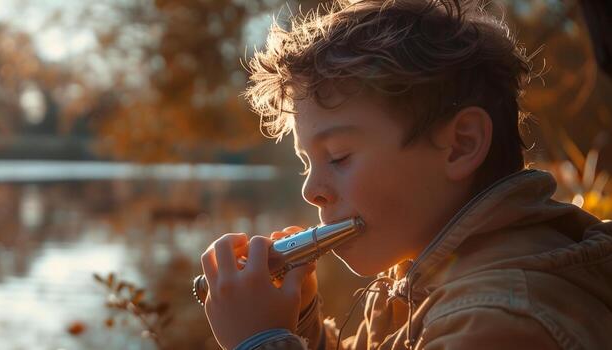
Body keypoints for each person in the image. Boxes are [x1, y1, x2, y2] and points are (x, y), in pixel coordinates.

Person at [198, 0, 612, 349]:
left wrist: (260, 340)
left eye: (338, 156)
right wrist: (299, 321)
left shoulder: (495, 322)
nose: (311, 190)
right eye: (307, 162)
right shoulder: (413, 274)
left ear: (461, 145)